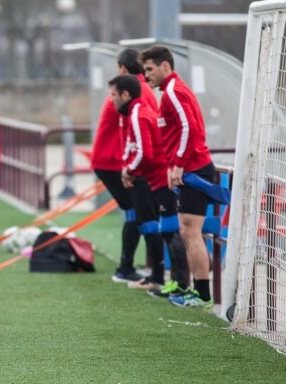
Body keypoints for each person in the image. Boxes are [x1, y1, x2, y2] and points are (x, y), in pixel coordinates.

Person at [140, 45, 216, 308]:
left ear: (165, 66)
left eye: (150, 69)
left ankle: (203, 295)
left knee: (191, 232)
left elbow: (189, 127)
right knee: (187, 232)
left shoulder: (173, 91)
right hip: (189, 167)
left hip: (194, 168)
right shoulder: (170, 92)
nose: (146, 75)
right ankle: (197, 291)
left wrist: (179, 165)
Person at [108, 75, 189, 298]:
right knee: (160, 229)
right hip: (153, 179)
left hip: (160, 179)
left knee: (168, 230)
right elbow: (132, 146)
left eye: (114, 95)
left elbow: (144, 152)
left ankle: (174, 282)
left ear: (126, 95)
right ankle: (165, 279)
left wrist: (128, 170)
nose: (111, 100)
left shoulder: (139, 113)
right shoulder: (134, 112)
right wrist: (127, 167)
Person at [90, 48, 160, 286]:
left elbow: (132, 132)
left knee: (140, 212)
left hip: (118, 161)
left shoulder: (133, 91)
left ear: (122, 68)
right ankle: (132, 268)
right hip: (118, 162)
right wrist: (130, 167)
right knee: (139, 211)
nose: (112, 98)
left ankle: (137, 267)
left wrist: (130, 165)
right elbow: (130, 132)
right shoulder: (136, 91)